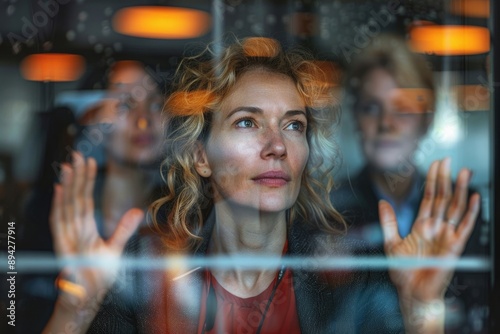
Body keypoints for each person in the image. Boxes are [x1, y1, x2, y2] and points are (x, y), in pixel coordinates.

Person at [43, 37, 480, 333]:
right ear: (200, 156)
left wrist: (423, 311)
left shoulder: (343, 277)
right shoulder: (146, 271)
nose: (276, 145)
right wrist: (75, 310)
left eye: (293, 125)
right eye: (247, 122)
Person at [330, 34, 489, 332]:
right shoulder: (330, 209)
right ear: (355, 118)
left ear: (426, 120)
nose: (386, 123)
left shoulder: (464, 207)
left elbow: (477, 314)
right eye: (371, 108)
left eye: (402, 109)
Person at [18, 60, 166, 333]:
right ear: (89, 117)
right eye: (124, 104)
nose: (143, 119)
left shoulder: (183, 222)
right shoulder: (57, 225)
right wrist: (75, 304)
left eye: (156, 104)